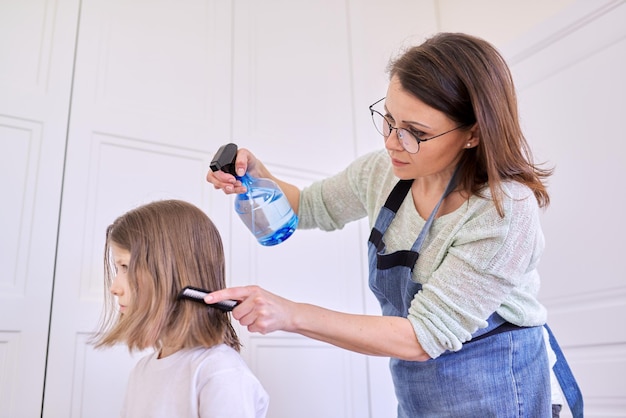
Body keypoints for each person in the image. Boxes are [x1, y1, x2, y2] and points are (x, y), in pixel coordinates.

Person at [205, 32, 582, 417]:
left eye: (415, 133)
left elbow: (423, 337)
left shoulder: (504, 211)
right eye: (388, 119)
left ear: (473, 133)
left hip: (503, 390)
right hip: (420, 392)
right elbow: (308, 206)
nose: (392, 142)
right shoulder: (382, 173)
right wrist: (256, 177)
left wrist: (291, 314)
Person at [92, 199, 269, 418]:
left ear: (174, 273)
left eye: (126, 267)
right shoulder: (142, 371)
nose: (114, 288)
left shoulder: (219, 372)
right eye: (117, 269)